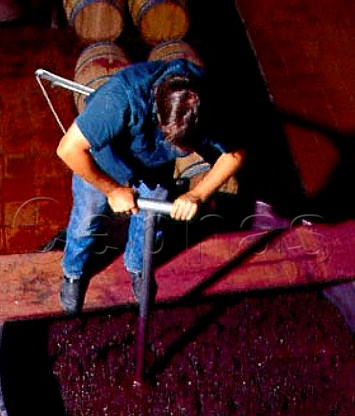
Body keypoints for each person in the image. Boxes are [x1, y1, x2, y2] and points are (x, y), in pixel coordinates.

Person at [56, 58, 245, 315]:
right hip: (105, 161)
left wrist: (197, 194)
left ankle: (138, 267)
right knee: (86, 220)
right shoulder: (120, 98)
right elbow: (68, 149)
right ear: (158, 114)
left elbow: (234, 154)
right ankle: (73, 273)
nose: (182, 152)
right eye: (177, 145)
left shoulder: (207, 102)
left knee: (150, 224)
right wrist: (112, 190)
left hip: (153, 167)